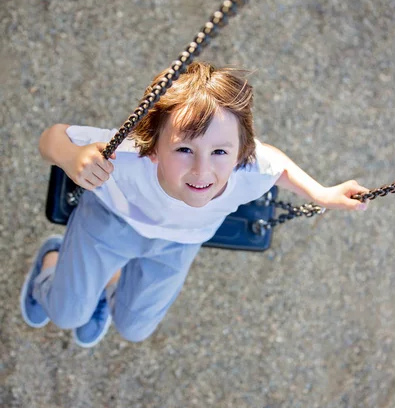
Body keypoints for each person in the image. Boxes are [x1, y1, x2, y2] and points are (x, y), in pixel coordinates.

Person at [20, 62, 369, 348]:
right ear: (153, 147)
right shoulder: (127, 155)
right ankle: (52, 264)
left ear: (240, 152)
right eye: (184, 149)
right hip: (111, 223)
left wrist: (321, 193)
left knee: (134, 329)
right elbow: (51, 138)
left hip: (177, 244)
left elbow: (276, 164)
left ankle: (107, 280)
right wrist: (72, 156)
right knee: (67, 315)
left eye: (219, 152)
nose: (203, 171)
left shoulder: (247, 168)